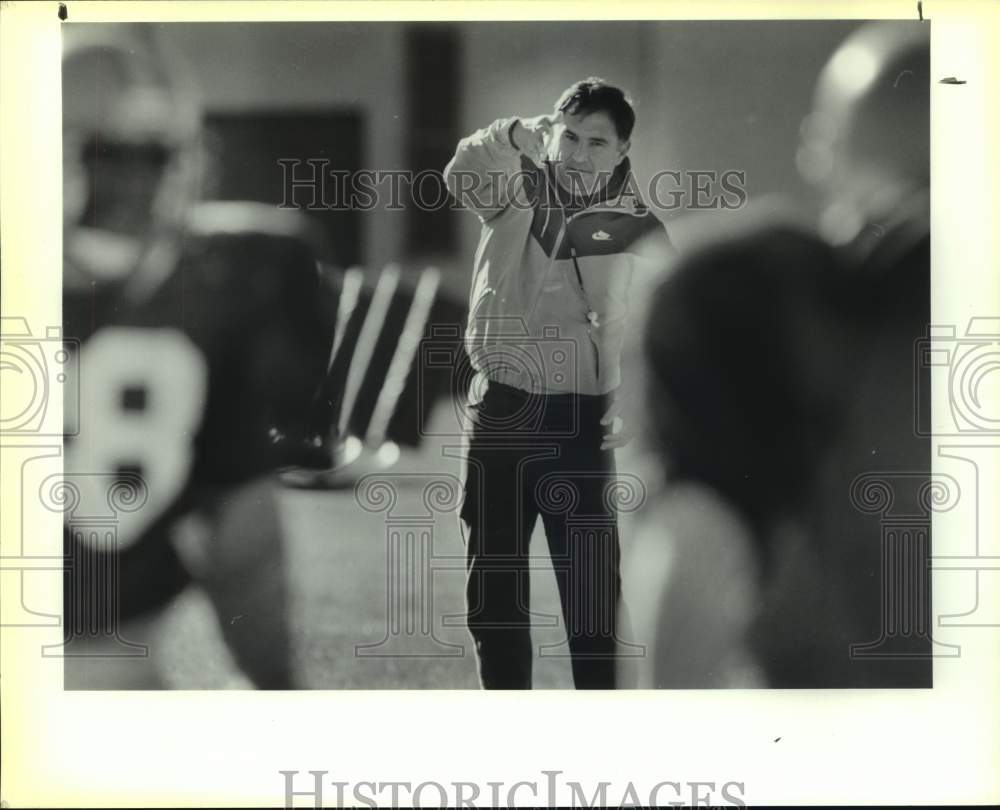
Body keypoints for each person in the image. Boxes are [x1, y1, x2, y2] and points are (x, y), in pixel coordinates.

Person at [60, 25, 340, 688]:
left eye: (147, 156)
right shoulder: (228, 281)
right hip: (115, 665)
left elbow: (244, 532)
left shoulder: (224, 287)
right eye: (115, 155)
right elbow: (245, 546)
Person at [443, 77, 671, 689]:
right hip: (502, 408)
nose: (578, 153)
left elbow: (662, 332)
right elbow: (459, 172)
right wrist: (515, 133)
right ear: (552, 132)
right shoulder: (515, 185)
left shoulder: (638, 227)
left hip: (582, 420)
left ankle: (601, 739)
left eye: (597, 143)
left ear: (623, 151)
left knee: (593, 597)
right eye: (569, 136)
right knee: (492, 594)